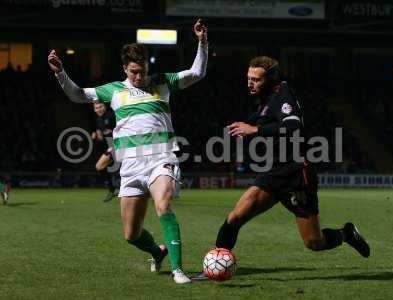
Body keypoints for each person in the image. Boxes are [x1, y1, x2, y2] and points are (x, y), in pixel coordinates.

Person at [48, 19, 208, 284]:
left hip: (161, 159)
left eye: (142, 70)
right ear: (125, 68)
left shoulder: (162, 82)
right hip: (131, 166)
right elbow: (77, 95)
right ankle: (157, 252)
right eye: (134, 71)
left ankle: (179, 270)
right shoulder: (113, 90)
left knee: (164, 205)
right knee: (131, 234)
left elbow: (197, 72)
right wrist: (60, 73)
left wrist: (202, 41)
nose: (139, 76)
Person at [196, 56, 369, 279]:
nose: (250, 83)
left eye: (256, 79)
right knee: (235, 217)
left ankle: (346, 234)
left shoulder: (281, 94)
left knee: (314, 242)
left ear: (270, 80)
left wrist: (255, 131)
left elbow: (293, 125)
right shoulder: (265, 101)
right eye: (248, 78)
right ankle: (213, 267)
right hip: (274, 172)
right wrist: (246, 128)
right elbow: (263, 122)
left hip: (296, 174)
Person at [91, 102, 118, 202]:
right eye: (96, 108)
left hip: (120, 145)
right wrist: (96, 135)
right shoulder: (98, 120)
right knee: (99, 166)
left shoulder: (111, 116)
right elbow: (101, 135)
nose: (99, 109)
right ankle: (112, 190)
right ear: (94, 110)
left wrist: (115, 144)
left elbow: (121, 129)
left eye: (100, 107)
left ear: (105, 107)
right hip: (111, 147)